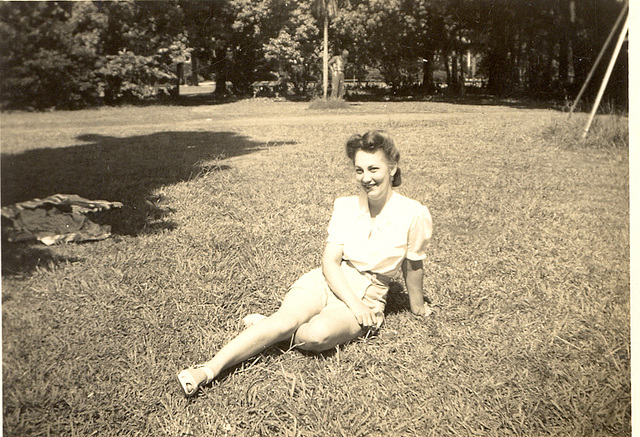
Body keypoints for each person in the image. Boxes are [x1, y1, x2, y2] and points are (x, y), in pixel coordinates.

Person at [177, 130, 433, 398]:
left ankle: (269, 328)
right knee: (286, 320)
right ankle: (207, 370)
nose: (366, 178)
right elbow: (330, 262)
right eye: (359, 170)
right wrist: (353, 304)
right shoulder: (346, 206)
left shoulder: (414, 214)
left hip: (371, 293)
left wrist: (417, 307)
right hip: (329, 279)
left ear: (392, 168)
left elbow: (413, 264)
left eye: (373, 169)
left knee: (317, 335)